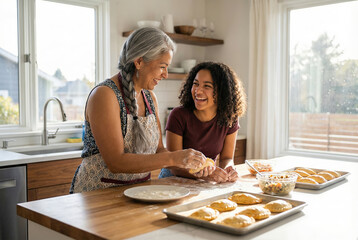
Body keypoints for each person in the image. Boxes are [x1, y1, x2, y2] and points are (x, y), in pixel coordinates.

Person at [70, 27, 206, 193]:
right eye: (162, 66)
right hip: (97, 195)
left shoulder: (149, 97)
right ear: (139, 61)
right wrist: (173, 158)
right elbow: (116, 162)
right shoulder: (105, 95)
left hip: (139, 193)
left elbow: (159, 150)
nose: (166, 74)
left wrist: (188, 165)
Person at [158, 61, 247, 183]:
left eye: (207, 86)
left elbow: (226, 158)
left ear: (222, 92)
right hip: (172, 181)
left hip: (204, 183)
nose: (198, 91)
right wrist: (204, 176)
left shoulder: (229, 118)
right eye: (196, 84)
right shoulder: (178, 115)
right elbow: (175, 167)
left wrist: (229, 170)